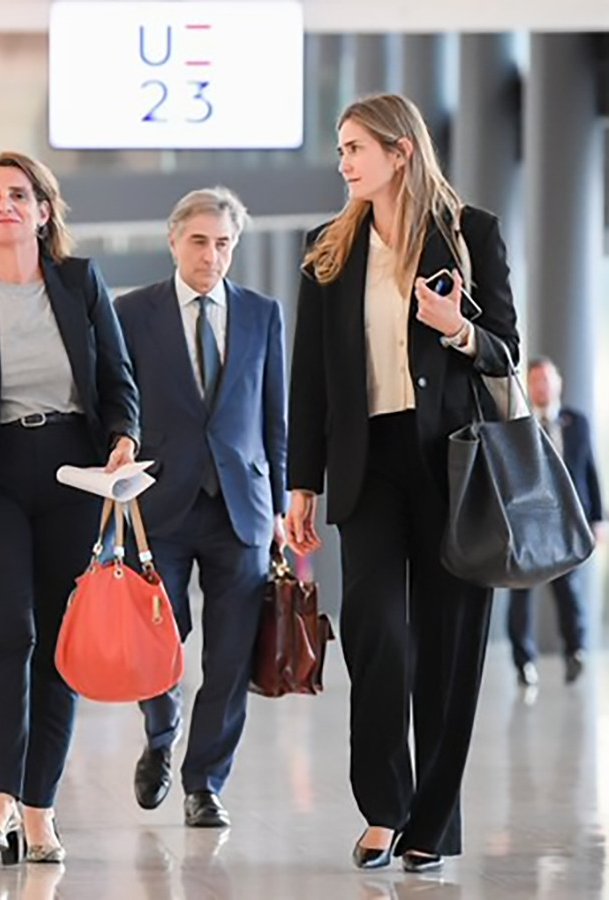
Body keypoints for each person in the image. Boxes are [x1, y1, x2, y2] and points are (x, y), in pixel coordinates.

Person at [285, 94, 520, 873]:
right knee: (377, 634)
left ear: (401, 153)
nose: (345, 161)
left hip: (455, 465)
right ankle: (383, 808)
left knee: (451, 652)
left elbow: (506, 350)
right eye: (344, 148)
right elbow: (310, 380)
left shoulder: (471, 234)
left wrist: (455, 328)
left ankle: (431, 825)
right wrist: (302, 484)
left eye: (356, 147)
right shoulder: (329, 249)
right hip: (370, 467)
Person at [0, 151, 140, 863]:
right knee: (3, 630)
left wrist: (124, 440)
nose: (6, 204)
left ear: (44, 210)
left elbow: (118, 381)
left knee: (60, 651)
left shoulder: (79, 282)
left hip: (74, 472)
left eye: (20, 194)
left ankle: (39, 811)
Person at [113, 187, 286, 829]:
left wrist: (279, 505)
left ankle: (204, 781)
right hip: (159, 504)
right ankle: (161, 732)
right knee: (159, 641)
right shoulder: (132, 313)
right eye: (200, 241)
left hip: (241, 507)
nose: (212, 256)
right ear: (173, 240)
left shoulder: (262, 313)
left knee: (231, 654)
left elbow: (275, 417)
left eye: (223, 244)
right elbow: (117, 404)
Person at [508, 357, 604, 686]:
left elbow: (589, 470)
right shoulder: (518, 423)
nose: (542, 386)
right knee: (520, 593)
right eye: (535, 380)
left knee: (569, 591)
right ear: (528, 385)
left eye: (547, 379)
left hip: (567, 523)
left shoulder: (576, 422)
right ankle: (523, 662)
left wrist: (598, 519)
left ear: (558, 384)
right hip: (526, 523)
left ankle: (575, 651)